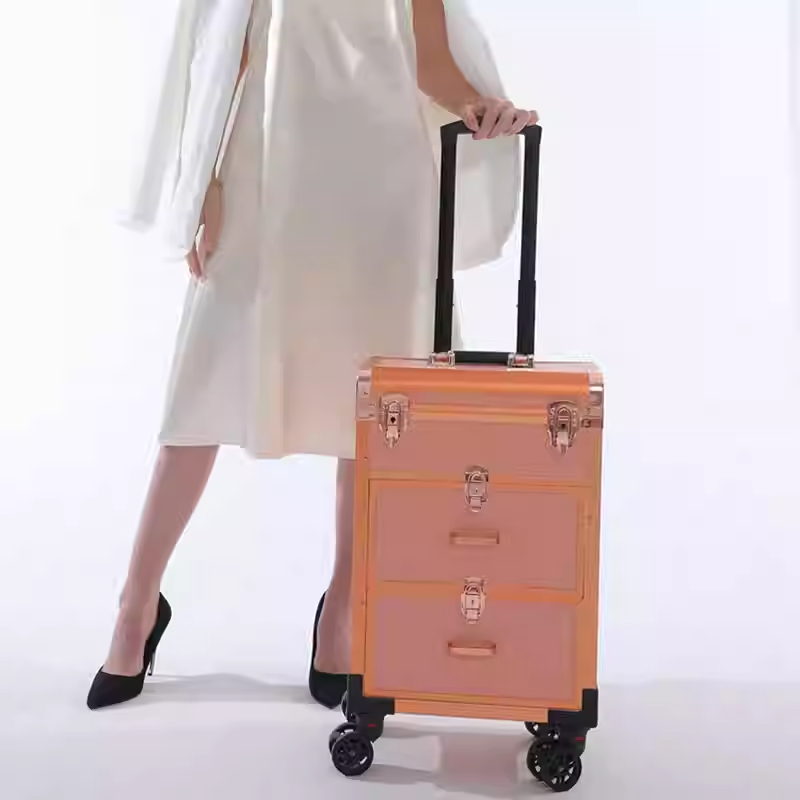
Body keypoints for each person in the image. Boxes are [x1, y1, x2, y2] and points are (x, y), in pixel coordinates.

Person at [87, 0, 538, 710]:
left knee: (373, 412)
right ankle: (135, 606)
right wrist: (204, 182)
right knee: (200, 394)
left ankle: (344, 612)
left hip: (386, 190)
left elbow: (429, 59)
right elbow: (225, 50)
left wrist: (482, 108)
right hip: (268, 176)